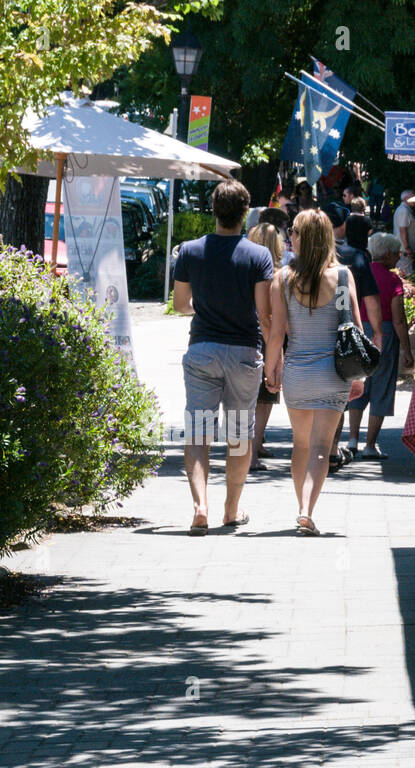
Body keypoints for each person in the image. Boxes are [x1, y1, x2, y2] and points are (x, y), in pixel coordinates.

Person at [172, 180, 274, 536]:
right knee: (237, 434)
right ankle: (231, 509)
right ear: (244, 213)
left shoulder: (189, 251)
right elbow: (264, 313)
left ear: (213, 210)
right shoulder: (259, 256)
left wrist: (206, 306)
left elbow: (181, 305)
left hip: (202, 351)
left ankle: (201, 506)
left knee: (198, 432)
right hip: (244, 353)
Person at [264, 209, 363, 536]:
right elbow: (354, 330)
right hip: (333, 374)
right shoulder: (343, 278)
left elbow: (277, 332)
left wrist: (271, 368)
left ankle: (301, 507)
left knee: (301, 445)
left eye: (293, 231)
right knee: (322, 446)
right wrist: (359, 376)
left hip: (297, 373)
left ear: (300, 238)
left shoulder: (283, 278)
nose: (289, 236)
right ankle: (307, 510)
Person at [324, 202, 382, 465]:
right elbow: (369, 299)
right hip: (344, 336)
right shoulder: (355, 257)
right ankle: (332, 449)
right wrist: (376, 333)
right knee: (339, 395)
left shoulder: (303, 259)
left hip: (309, 337)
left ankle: (318, 449)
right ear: (343, 225)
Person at [347, 231, 413, 458]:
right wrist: (407, 349)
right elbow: (399, 319)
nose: (398, 257)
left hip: (358, 330)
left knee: (358, 384)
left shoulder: (357, 273)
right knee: (382, 387)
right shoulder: (393, 280)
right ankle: (370, 445)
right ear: (386, 255)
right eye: (396, 253)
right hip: (384, 334)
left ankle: (352, 439)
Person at [246, 222, 287, 471]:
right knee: (264, 398)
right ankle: (251, 453)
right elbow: (270, 316)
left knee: (249, 399)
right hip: (267, 335)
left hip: (243, 334)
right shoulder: (275, 273)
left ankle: (250, 449)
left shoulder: (242, 266)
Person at [394, 190, 415, 273]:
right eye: (413, 197)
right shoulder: (403, 210)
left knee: (404, 273)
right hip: (404, 251)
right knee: (405, 274)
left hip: (404, 250)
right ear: (405, 198)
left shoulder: (404, 209)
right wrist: (407, 248)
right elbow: (402, 230)